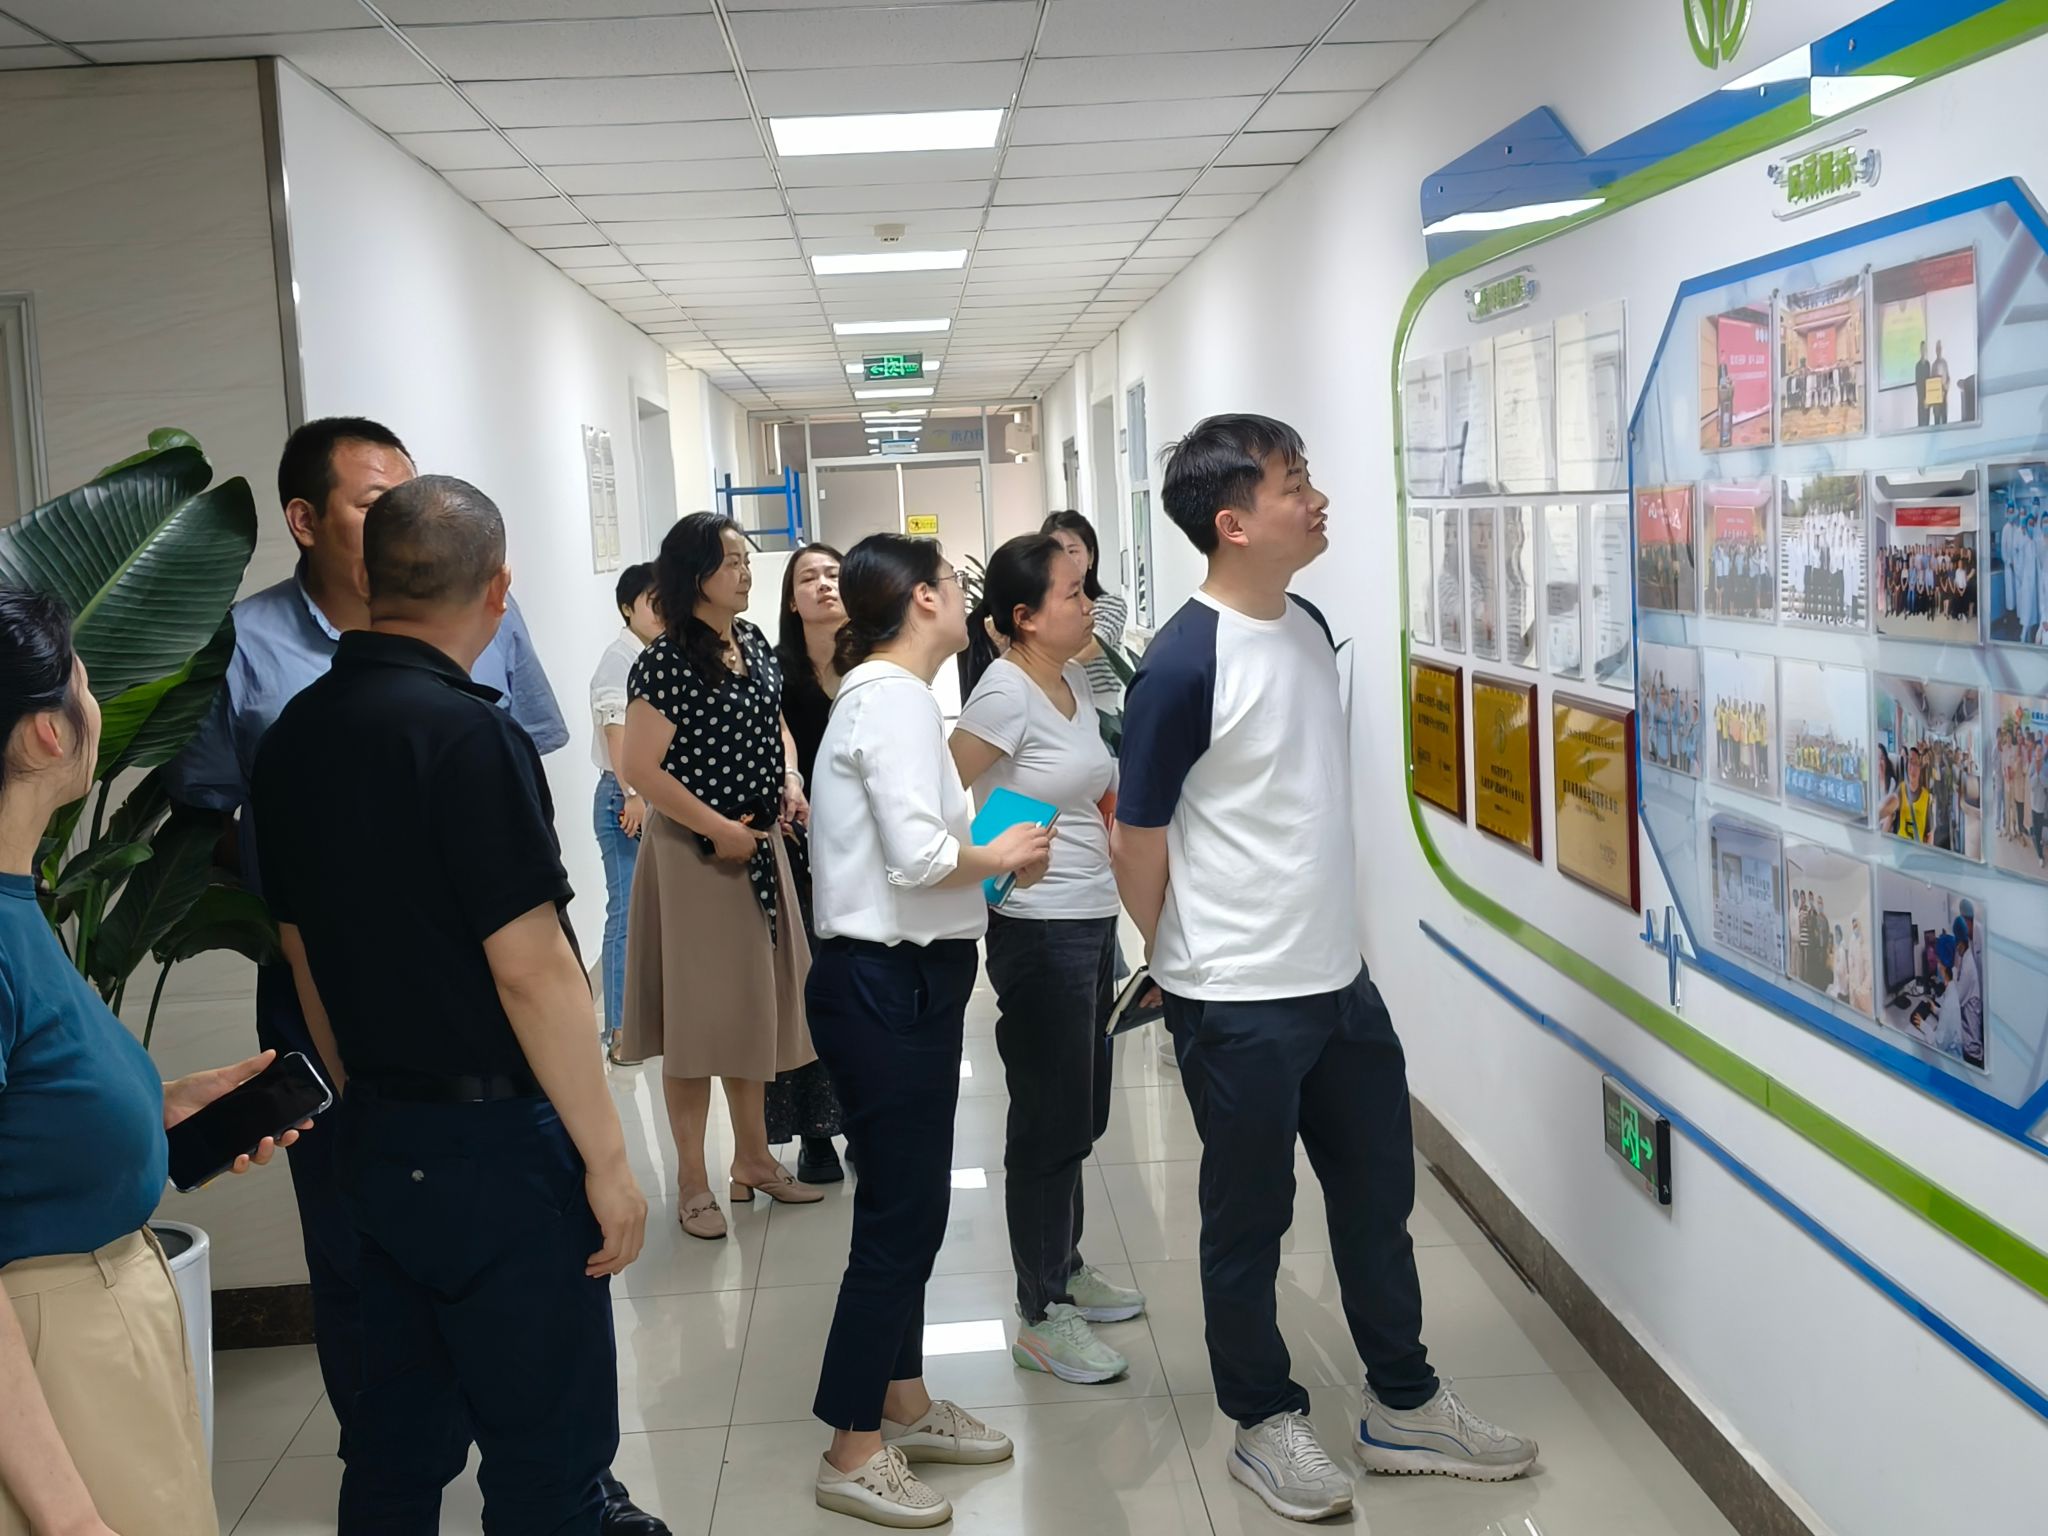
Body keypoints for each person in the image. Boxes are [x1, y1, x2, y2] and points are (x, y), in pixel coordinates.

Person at [152, 418, 669, 1528]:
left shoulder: (291, 738)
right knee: (545, 1460)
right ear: (498, 591)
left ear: (373, 582)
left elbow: (300, 950)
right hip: (498, 1148)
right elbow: (534, 972)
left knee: (392, 1450)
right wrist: (608, 1162)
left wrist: (364, 1099)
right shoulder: (467, 735)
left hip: (376, 1135)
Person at [1111, 415, 1535, 1523]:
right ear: (1233, 522)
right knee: (1246, 1224)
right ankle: (1263, 1422)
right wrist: (1176, 961)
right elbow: (1136, 838)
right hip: (1235, 1000)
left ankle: (1405, 1404)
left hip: (1339, 984)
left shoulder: (1303, 623)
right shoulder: (1181, 664)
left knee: (1377, 1202)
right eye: (1293, 483)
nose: (1316, 499)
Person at [0, 591, 304, 1536]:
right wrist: (68, 1515)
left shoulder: (17, 897)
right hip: (48, 1346)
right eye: (86, 684)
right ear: (48, 732)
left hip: (97, 1318)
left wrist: (155, 1105)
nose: (97, 707)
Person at [804, 534, 1054, 1528]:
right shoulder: (894, 700)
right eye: (955, 584)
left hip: (901, 978)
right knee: (900, 1216)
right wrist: (999, 854)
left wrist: (992, 859)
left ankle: (901, 1402)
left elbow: (910, 853)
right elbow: (917, 857)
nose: (965, 598)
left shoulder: (889, 696)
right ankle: (850, 1445)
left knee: (906, 1203)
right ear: (920, 600)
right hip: (885, 983)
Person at [950, 534, 1146, 1387]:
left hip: (1090, 920)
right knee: (1048, 1119)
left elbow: (1089, 787)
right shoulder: (1003, 693)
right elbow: (940, 791)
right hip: (1039, 930)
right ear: (1025, 617)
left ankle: (1063, 1265)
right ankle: (1039, 1313)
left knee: (1082, 1111)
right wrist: (994, 864)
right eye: (1073, 593)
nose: (1088, 604)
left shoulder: (1071, 681)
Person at [618, 513, 821, 1240]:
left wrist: (789, 777)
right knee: (697, 1024)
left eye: (745, 558)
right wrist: (717, 828)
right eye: (730, 560)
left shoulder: (753, 641)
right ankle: (692, 1181)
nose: (745, 571)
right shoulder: (666, 660)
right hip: (694, 857)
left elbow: (775, 725)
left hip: (757, 844)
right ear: (693, 572)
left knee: (749, 1011)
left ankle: (754, 1160)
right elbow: (639, 768)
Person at [768, 543, 849, 1186]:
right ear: (791, 600)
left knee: (862, 985)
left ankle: (864, 1121)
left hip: (867, 850)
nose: (823, 585)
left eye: (833, 574)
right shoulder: (772, 672)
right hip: (797, 848)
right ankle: (815, 1132)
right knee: (807, 985)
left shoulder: (876, 664)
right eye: (808, 577)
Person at [589, 562, 660, 1060]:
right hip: (625, 798)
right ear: (627, 608)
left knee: (647, 914)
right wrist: (633, 791)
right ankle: (619, 1032)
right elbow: (618, 733)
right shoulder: (620, 660)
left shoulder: (650, 656)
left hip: (647, 795)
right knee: (627, 916)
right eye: (653, 603)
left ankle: (642, 1023)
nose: (663, 611)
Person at [1043, 510, 1128, 716]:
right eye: (1057, 552)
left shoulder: (1110, 605)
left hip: (1101, 713)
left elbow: (1089, 648)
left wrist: (1039, 667)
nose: (1065, 559)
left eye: (1073, 551)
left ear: (1090, 556)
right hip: (1049, 707)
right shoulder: (1039, 610)